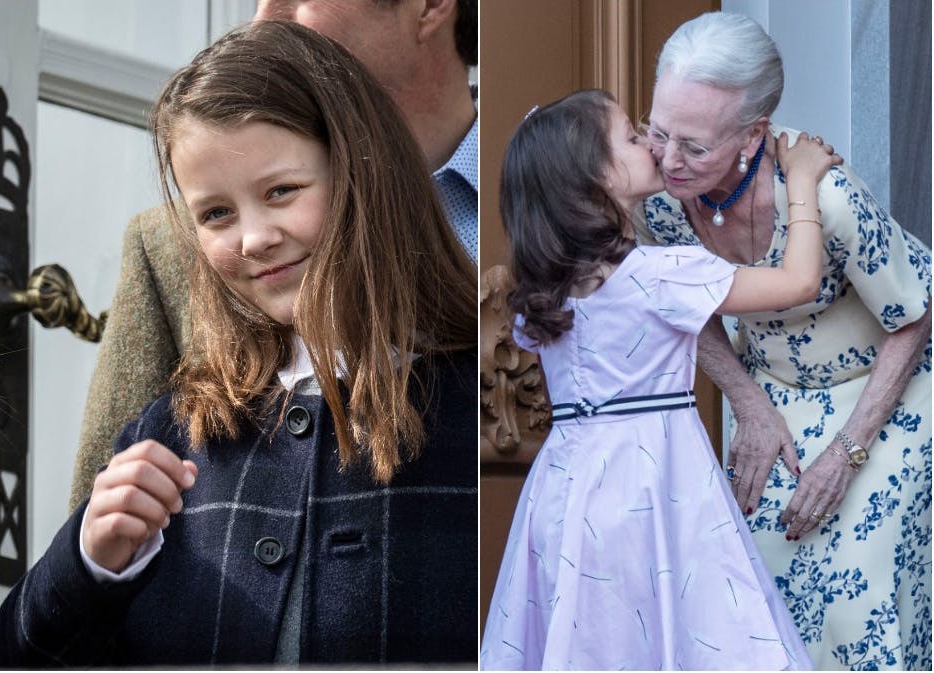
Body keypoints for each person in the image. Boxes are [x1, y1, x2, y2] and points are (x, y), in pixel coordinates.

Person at [0, 20, 478, 666]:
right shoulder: (171, 429)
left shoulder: (478, 396)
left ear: (362, 172)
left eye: (281, 192)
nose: (252, 238)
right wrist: (87, 559)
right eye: (216, 214)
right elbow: (19, 653)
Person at [479, 89, 840, 670]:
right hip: (658, 485)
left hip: (568, 497)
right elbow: (798, 281)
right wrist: (801, 181)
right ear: (595, 181)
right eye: (629, 136)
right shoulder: (662, 275)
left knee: (593, 639)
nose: (650, 141)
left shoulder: (542, 298)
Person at [69, 0, 479, 511]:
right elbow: (106, 512)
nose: (263, 19)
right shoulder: (170, 243)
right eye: (217, 213)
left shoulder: (550, 203)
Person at [637, 12, 932, 670]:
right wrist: (747, 401)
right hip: (774, 391)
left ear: (752, 135)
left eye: (694, 144)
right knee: (756, 591)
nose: (669, 160)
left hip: (894, 384)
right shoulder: (652, 195)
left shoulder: (824, 195)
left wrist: (846, 453)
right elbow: (682, 308)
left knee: (858, 601)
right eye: (658, 132)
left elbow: (913, 315)